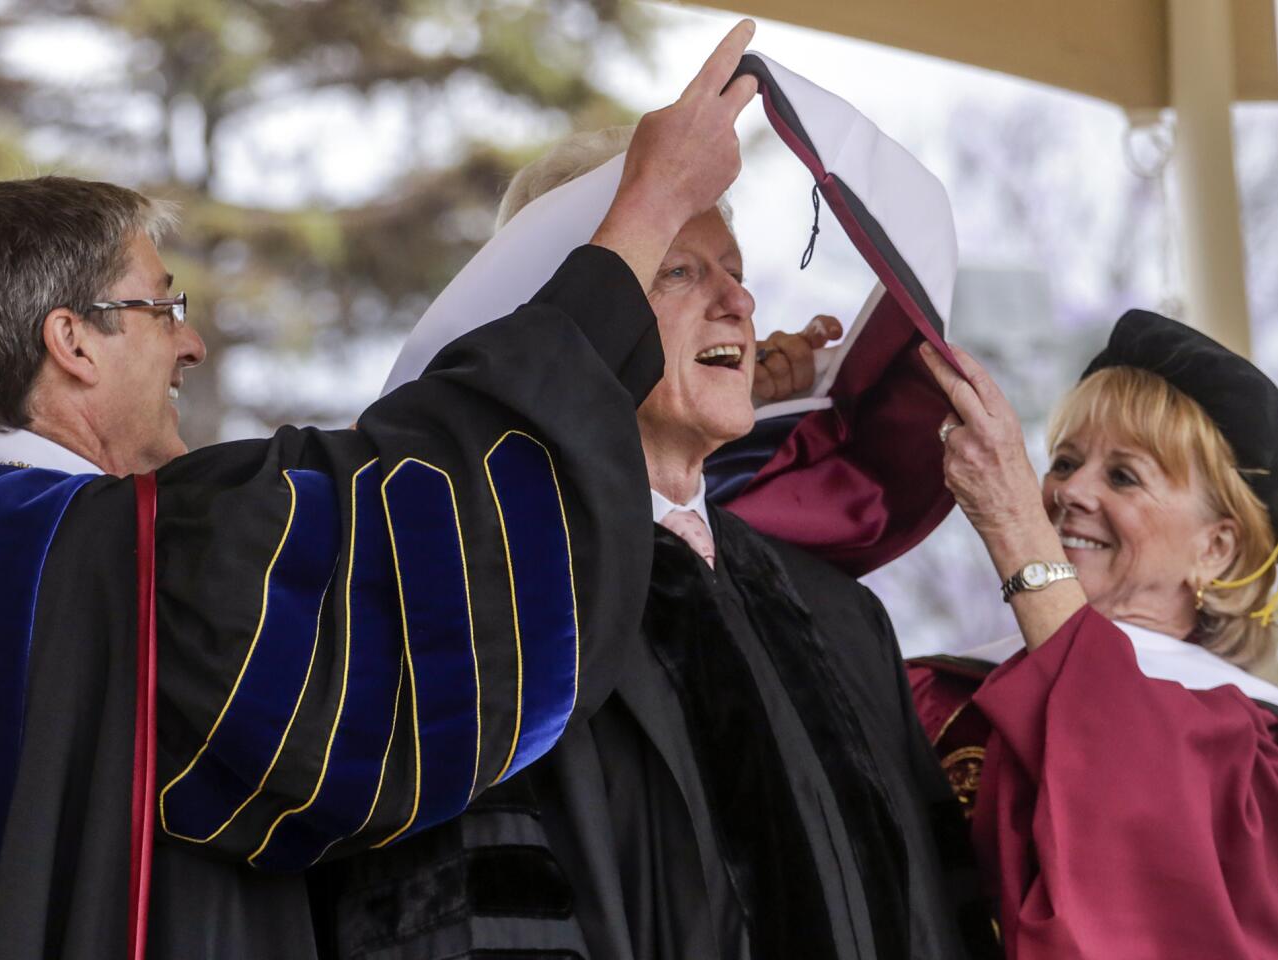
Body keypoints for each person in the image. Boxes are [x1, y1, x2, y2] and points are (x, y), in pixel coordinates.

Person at [0, 22, 760, 960]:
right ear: (72, 342)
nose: (191, 344)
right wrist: (648, 205)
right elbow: (431, 509)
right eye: (164, 305)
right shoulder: (141, 551)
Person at [307, 123, 995, 959]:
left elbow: (940, 913)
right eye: (679, 271)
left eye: (735, 274)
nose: (737, 303)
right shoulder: (496, 613)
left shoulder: (842, 619)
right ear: (568, 317)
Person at [908, 310, 1278, 958]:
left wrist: (1015, 533)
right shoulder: (935, 690)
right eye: (1063, 461)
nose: (1067, 491)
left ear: (1215, 549)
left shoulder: (1251, 753)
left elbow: (1140, 886)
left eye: (1123, 476)